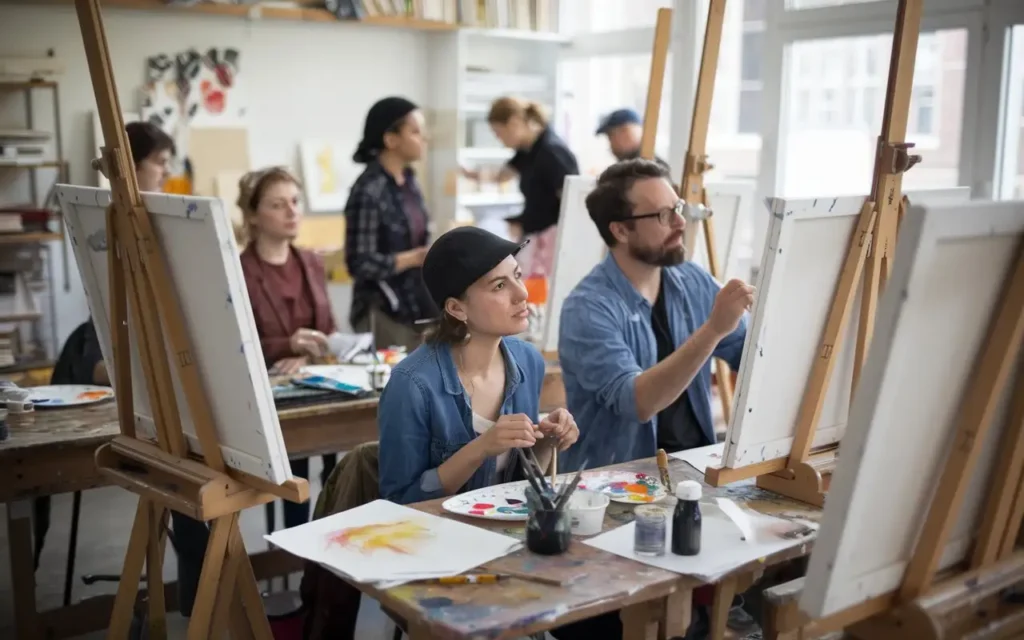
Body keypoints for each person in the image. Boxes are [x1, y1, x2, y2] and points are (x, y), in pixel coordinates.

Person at [556, 158, 757, 636]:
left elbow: (751, 354)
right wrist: (713, 329)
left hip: (694, 482)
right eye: (663, 215)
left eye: (679, 208)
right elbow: (638, 400)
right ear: (621, 230)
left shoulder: (691, 282)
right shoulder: (588, 308)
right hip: (616, 501)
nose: (680, 222)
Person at [377, 226, 579, 506]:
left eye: (517, 276)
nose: (521, 293)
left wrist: (548, 441)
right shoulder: (411, 384)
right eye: (499, 286)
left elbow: (520, 484)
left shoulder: (527, 361)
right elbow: (399, 501)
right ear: (457, 309)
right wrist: (480, 449)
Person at [345, 96, 436, 352]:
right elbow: (359, 263)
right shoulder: (368, 190)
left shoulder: (410, 181)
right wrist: (413, 258)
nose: (424, 138)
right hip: (383, 311)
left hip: (417, 305)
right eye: (415, 131)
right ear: (391, 139)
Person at [462, 97, 579, 279]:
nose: (500, 141)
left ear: (514, 123)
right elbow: (501, 176)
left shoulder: (552, 151)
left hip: (552, 240)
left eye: (499, 134)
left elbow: (572, 203)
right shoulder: (527, 150)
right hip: (536, 234)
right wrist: (470, 174)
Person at [596, 108, 671, 170]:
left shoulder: (651, 170)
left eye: (611, 136)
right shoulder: (627, 169)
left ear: (627, 132)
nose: (611, 145)